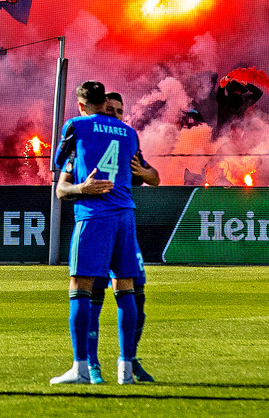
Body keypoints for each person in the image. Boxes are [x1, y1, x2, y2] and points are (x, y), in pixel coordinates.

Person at [49, 81, 143, 386]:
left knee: (80, 286)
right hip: (125, 215)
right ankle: (125, 370)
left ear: (80, 105)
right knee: (125, 287)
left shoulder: (76, 125)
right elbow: (139, 170)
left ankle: (80, 368)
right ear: (105, 102)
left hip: (94, 215)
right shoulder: (129, 132)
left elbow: (58, 165)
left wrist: (82, 184)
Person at [106, 92, 157, 383]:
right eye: (110, 110)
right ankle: (88, 365)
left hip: (125, 228)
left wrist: (144, 172)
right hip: (98, 225)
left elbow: (155, 178)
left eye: (119, 111)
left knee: (139, 301)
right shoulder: (89, 140)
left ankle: (130, 359)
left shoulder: (127, 143)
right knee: (91, 298)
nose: (115, 115)